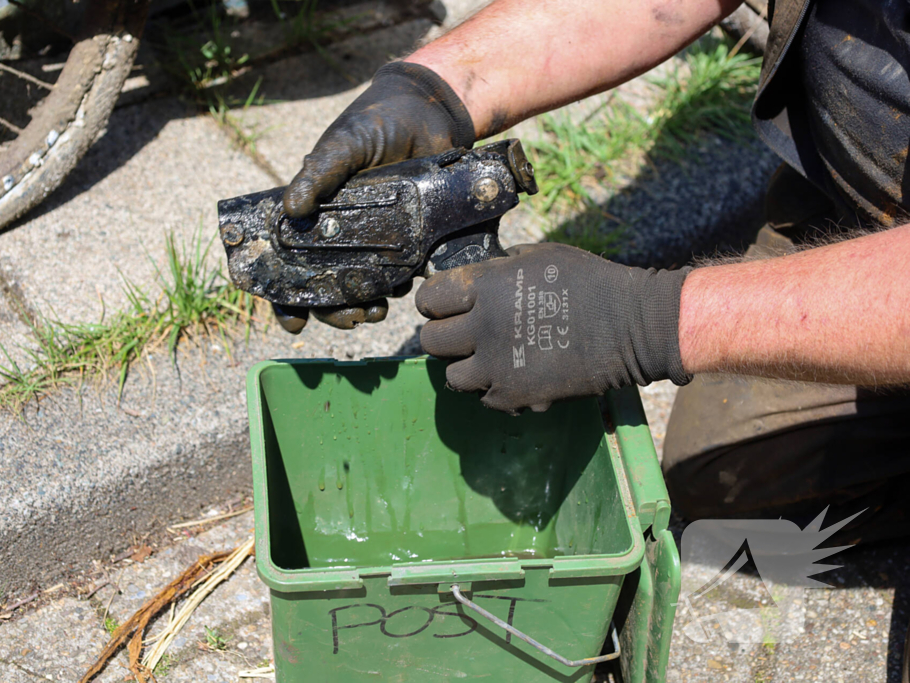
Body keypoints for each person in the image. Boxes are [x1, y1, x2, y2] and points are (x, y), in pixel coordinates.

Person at [279, 0, 910, 547]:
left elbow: (647, 323)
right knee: (721, 472)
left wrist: (647, 321)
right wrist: (439, 87)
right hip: (856, 212)